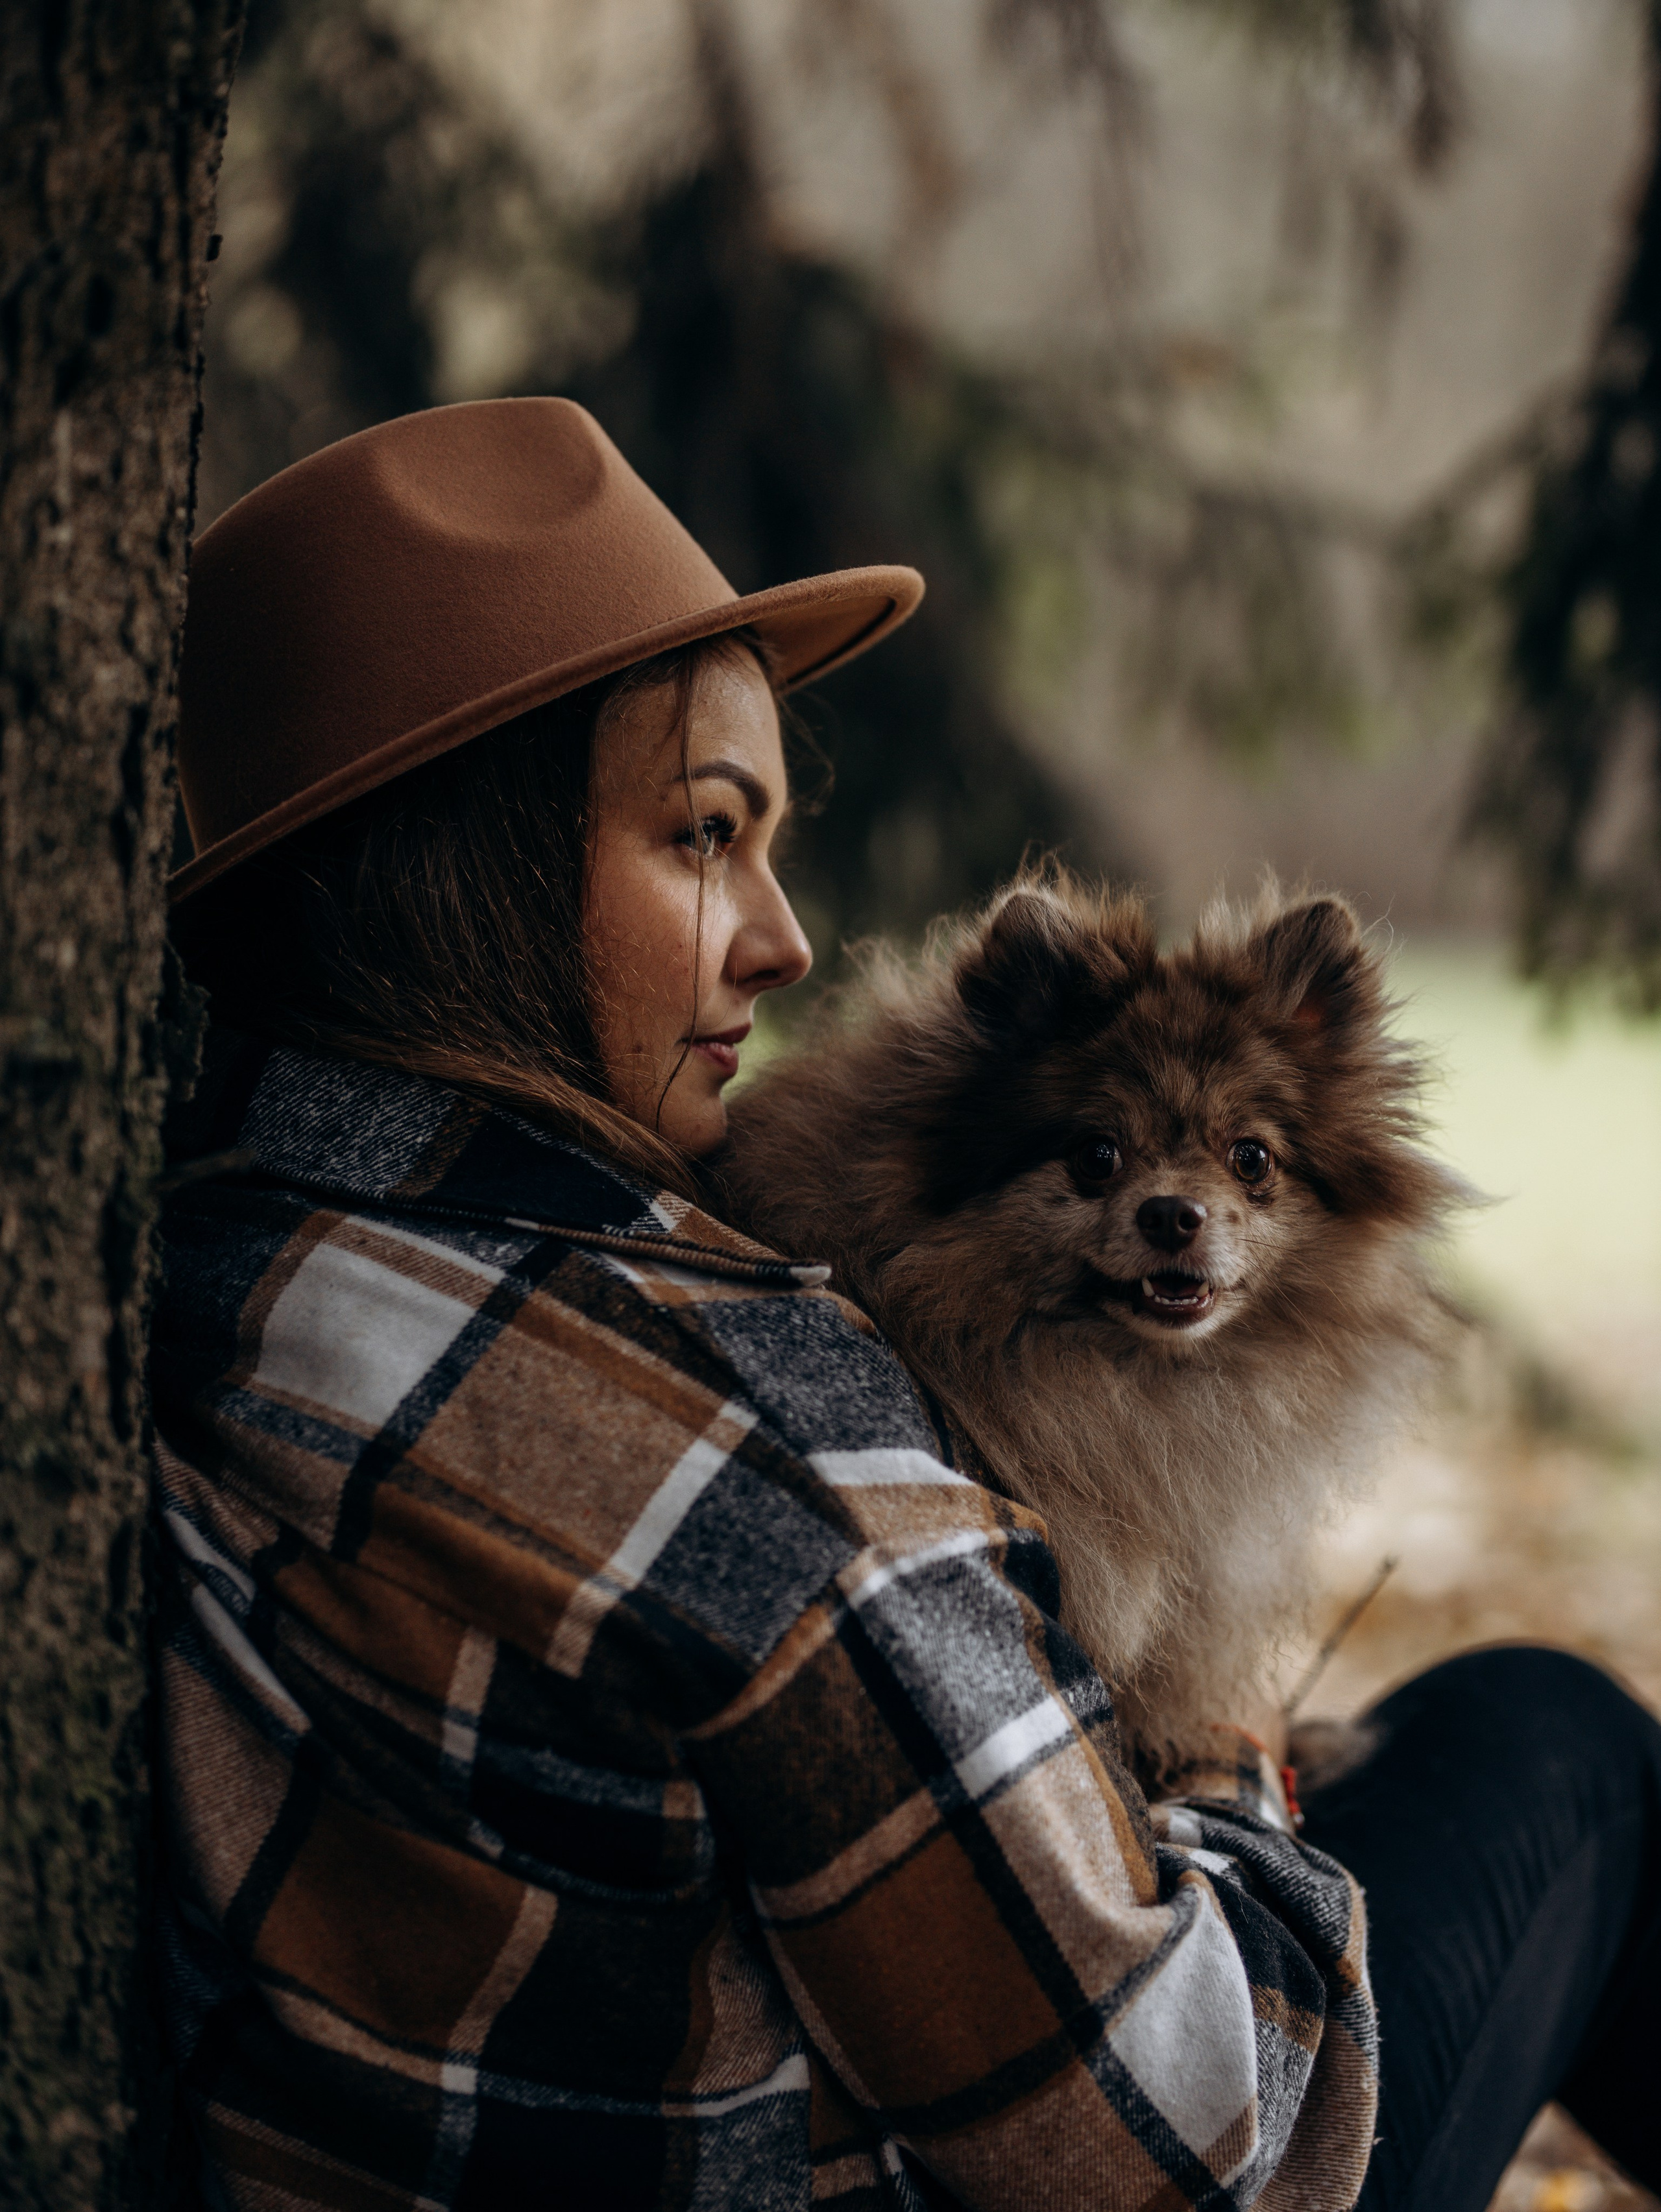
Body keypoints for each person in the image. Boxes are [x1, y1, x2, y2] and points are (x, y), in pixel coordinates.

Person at [151, 398, 1661, 2212]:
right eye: (707, 835)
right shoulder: (754, 1455)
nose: (784, 941)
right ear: (465, 871)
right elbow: (1180, 2155)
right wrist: (1223, 1771)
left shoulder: (191, 1264)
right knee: (1556, 1744)